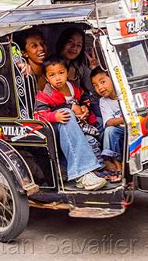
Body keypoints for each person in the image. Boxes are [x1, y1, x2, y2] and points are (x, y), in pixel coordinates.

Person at [34, 56, 106, 190]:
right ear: (46, 78)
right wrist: (55, 115)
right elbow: (38, 114)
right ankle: (83, 173)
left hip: (79, 124)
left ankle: (108, 162)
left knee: (103, 124)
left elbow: (84, 97)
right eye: (52, 75)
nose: (58, 78)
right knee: (66, 113)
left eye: (61, 73)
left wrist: (84, 107)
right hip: (55, 128)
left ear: (67, 72)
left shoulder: (72, 87)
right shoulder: (45, 95)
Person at [91, 67, 124, 182]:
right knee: (110, 131)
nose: (99, 88)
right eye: (95, 85)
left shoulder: (125, 92)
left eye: (102, 82)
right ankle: (117, 165)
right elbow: (108, 122)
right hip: (121, 132)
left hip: (135, 129)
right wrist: (125, 118)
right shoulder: (103, 101)